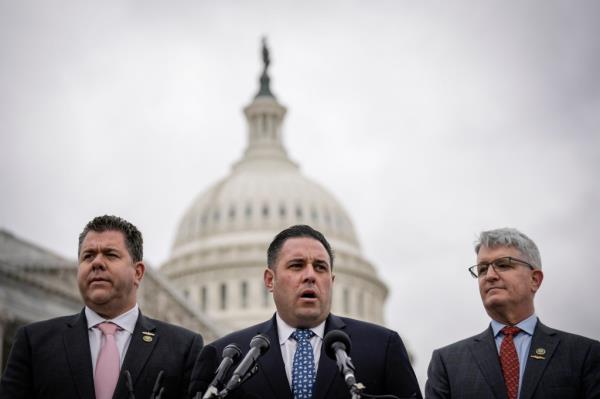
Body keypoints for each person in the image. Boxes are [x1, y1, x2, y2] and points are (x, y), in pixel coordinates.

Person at [189, 224, 422, 399]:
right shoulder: (226, 357)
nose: (310, 275)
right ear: (270, 280)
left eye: (320, 267)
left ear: (331, 280)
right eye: (297, 265)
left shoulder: (382, 347)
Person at [0, 215, 203, 399]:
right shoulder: (33, 342)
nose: (96, 262)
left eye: (110, 254)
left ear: (138, 272)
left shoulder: (183, 347)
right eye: (88, 256)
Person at [425, 227, 600, 399]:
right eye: (482, 269)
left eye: (503, 265)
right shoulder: (447, 362)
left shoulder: (586, 354)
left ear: (534, 279)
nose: (490, 276)